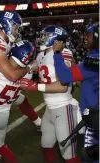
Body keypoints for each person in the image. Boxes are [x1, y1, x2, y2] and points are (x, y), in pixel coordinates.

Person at [18, 25, 81, 163]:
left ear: (55, 38)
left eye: (46, 36)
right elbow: (32, 67)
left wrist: (35, 86)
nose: (42, 38)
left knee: (68, 154)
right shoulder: (42, 54)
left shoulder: (62, 54)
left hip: (64, 107)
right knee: (46, 144)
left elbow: (62, 86)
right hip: (50, 108)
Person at [52, 23, 99, 163]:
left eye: (88, 36)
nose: (85, 39)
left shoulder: (94, 60)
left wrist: (57, 53)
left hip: (95, 118)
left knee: (90, 157)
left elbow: (65, 76)